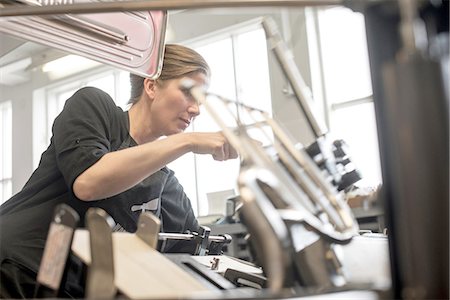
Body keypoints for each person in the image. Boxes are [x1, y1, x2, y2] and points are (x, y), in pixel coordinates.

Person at [0, 44, 238, 298]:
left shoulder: (164, 181)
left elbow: (196, 249)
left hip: (66, 287)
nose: (196, 109)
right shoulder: (94, 106)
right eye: (189, 93)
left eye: (201, 99)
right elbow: (88, 183)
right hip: (16, 266)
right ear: (151, 86)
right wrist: (187, 142)